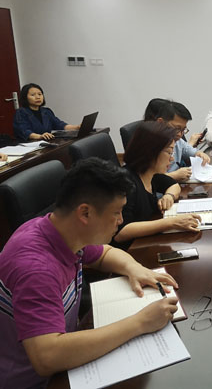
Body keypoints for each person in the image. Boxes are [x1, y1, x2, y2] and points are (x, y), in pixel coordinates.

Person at [0, 158, 180, 388]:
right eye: (116, 212)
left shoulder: (61, 230)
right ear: (85, 213)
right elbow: (47, 357)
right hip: (38, 381)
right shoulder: (36, 268)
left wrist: (135, 269)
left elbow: (104, 254)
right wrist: (141, 322)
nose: (121, 220)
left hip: (67, 354)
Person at [111, 121, 202, 250]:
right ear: (151, 152)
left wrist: (169, 196)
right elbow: (120, 233)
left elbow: (173, 185)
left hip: (146, 242)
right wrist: (171, 223)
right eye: (169, 152)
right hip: (130, 250)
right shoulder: (126, 181)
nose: (172, 159)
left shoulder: (151, 174)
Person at [154, 101, 210, 182]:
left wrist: (199, 154)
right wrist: (174, 175)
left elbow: (189, 150)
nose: (180, 134)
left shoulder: (177, 140)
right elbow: (147, 179)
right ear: (160, 122)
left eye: (183, 130)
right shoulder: (148, 143)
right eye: (177, 128)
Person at [12, 83, 80, 141]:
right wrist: (40, 136)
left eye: (40, 94)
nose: (37, 97)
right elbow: (24, 131)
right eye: (33, 95)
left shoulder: (46, 111)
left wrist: (77, 127)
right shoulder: (21, 112)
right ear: (25, 97)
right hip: (30, 145)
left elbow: (59, 124)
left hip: (46, 143)